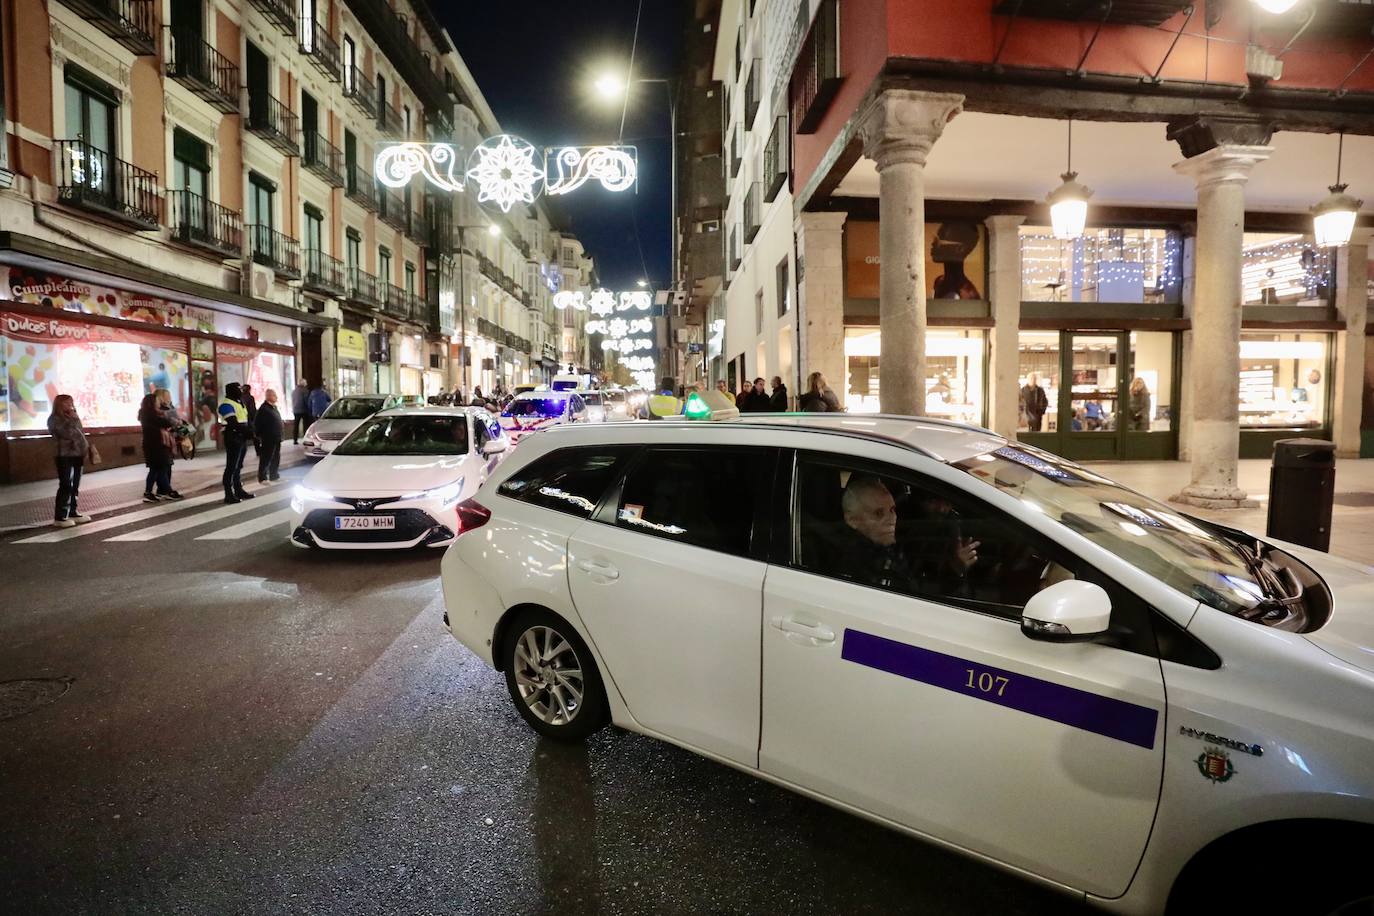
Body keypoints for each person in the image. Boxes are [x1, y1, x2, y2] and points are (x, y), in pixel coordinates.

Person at [47, 394, 92, 528]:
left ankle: (72, 511)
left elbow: (80, 433)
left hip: (78, 454)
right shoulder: (54, 419)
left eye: (70, 403)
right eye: (66, 403)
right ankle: (60, 516)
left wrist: (85, 449)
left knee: (75, 484)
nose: (69, 406)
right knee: (66, 484)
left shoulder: (73, 416)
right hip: (64, 455)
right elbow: (66, 433)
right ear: (59, 405)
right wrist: (72, 420)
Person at [138, 388, 183, 502]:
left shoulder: (154, 414)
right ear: (152, 403)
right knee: (157, 469)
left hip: (158, 445)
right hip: (154, 446)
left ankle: (164, 490)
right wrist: (172, 421)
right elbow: (164, 423)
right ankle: (155, 492)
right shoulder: (149, 415)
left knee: (159, 469)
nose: (159, 403)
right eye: (157, 401)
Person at [218, 383, 255, 505]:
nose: (240, 391)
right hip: (233, 437)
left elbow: (245, 420)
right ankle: (228, 494)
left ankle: (238, 490)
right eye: (238, 389)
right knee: (231, 467)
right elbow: (233, 423)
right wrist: (251, 433)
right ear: (231, 391)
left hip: (242, 437)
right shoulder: (226, 405)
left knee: (238, 466)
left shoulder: (240, 402)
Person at [254, 389, 284, 484]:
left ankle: (274, 475)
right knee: (266, 458)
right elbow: (258, 424)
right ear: (269, 396)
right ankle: (262, 477)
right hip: (268, 437)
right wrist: (260, 436)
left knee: (276, 457)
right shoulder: (264, 409)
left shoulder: (273, 408)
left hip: (276, 437)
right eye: (274, 395)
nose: (276, 397)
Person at [291, 378, 310, 443]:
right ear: (304, 384)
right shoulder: (305, 391)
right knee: (306, 425)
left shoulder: (294, 391)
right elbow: (306, 400)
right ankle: (305, 439)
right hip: (303, 410)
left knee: (296, 425)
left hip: (295, 410)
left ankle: (295, 439)